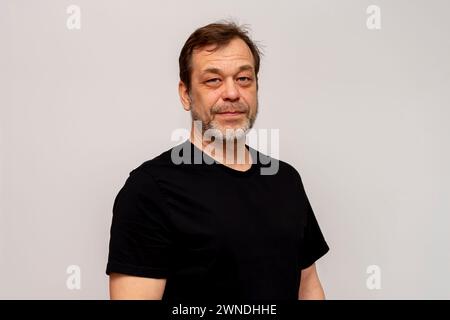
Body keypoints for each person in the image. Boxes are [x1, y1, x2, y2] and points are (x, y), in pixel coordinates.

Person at [106, 21, 330, 301]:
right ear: (185, 94)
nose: (232, 93)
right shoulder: (149, 190)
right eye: (213, 80)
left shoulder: (286, 180)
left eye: (244, 79)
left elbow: (308, 287)